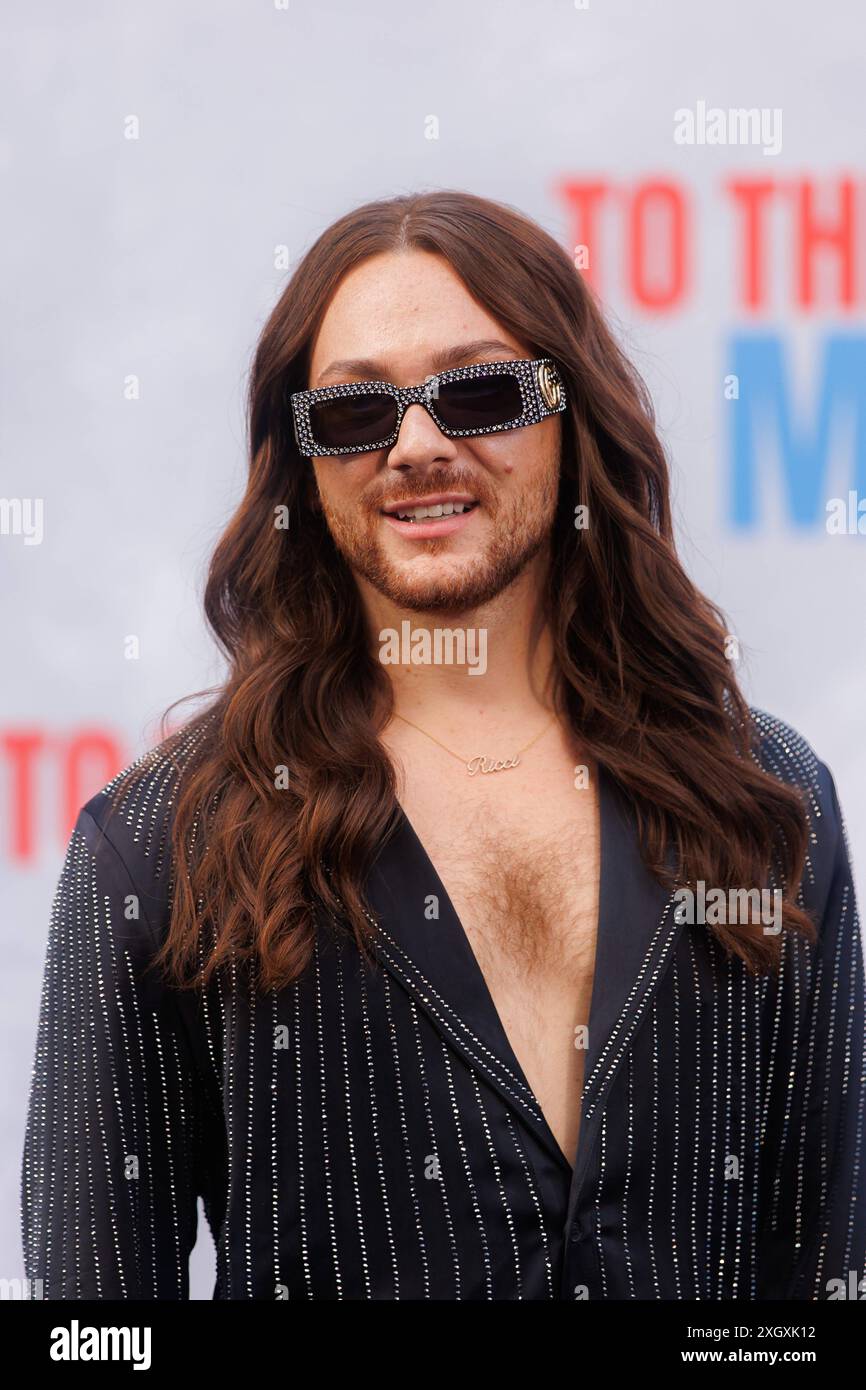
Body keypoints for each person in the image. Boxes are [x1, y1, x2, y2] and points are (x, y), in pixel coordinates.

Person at [21, 190, 865, 1301]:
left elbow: (824, 1271)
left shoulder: (764, 800)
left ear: (574, 416)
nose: (417, 445)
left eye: (477, 392)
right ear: (303, 459)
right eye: (356, 412)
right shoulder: (156, 848)